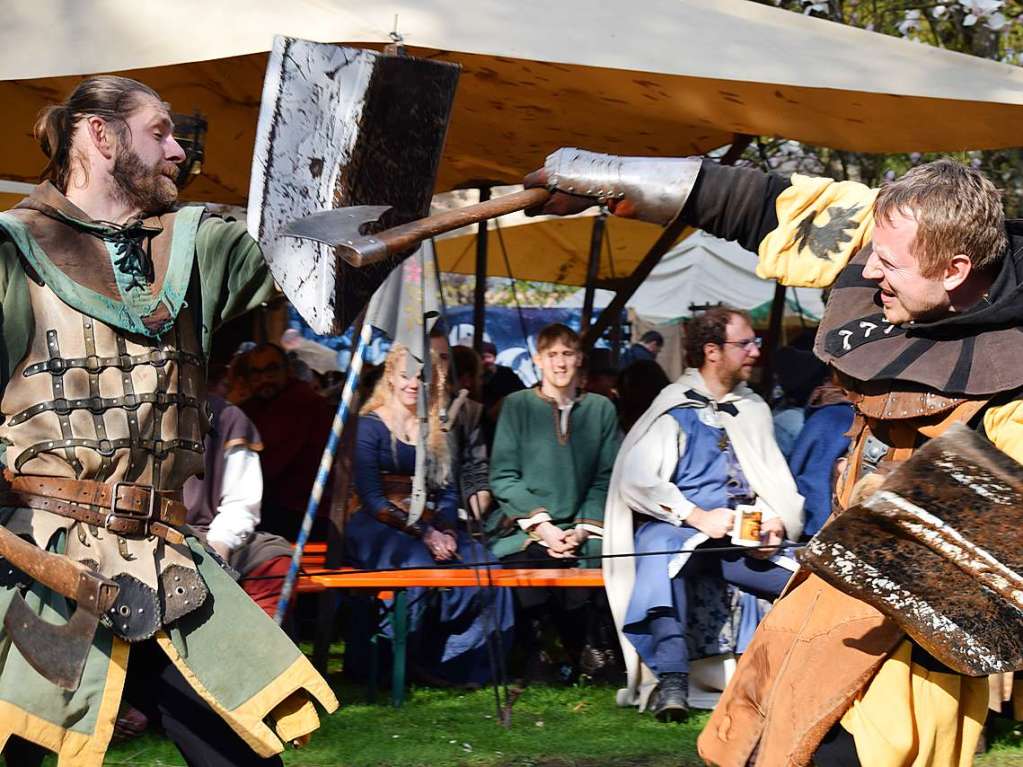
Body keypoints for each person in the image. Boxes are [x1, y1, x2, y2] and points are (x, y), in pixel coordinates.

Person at [526, 149, 1023, 765]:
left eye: (889, 264)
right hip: (827, 594)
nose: (871, 273)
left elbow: (986, 561)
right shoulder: (901, 236)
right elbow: (772, 206)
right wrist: (613, 177)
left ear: (954, 269)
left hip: (915, 634)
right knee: (759, 742)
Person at [0, 76, 335, 767]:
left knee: (238, 748)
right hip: (44, 560)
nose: (178, 150)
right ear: (98, 133)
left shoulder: (195, 247)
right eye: (160, 131)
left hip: (166, 556)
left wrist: (524, 194)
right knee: (30, 747)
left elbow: (329, 252)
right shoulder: (11, 253)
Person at [607, 307, 803, 722]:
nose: (755, 351)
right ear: (712, 351)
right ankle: (673, 680)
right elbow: (637, 481)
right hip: (683, 534)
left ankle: (795, 675)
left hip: (740, 539)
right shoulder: (673, 408)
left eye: (755, 342)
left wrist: (775, 521)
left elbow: (775, 482)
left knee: (802, 580)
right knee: (657, 549)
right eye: (745, 343)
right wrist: (696, 515)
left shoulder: (752, 408)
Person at [344, 344, 513, 685]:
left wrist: (448, 530)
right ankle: (398, 660)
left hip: (431, 521)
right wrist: (426, 533)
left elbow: (449, 489)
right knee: (417, 562)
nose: (412, 383)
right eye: (405, 375)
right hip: (377, 524)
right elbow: (374, 499)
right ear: (390, 377)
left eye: (420, 377)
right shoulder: (369, 427)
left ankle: (460, 664)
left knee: (487, 567)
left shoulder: (436, 426)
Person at [487, 323, 621, 680]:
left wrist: (579, 531)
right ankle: (539, 650)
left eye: (566, 354)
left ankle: (592, 648)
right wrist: (544, 528)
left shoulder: (601, 409)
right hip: (525, 526)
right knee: (529, 559)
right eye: (552, 355)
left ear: (579, 359)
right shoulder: (517, 406)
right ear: (538, 361)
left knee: (600, 557)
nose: (560, 363)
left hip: (582, 526)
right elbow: (503, 475)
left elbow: (607, 476)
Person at [183, 365, 294, 618]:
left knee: (274, 561)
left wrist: (219, 548)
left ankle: (255, 652)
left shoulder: (227, 418)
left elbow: (240, 503)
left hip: (205, 535)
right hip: (142, 537)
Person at [240, 342, 334, 540]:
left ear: (288, 370)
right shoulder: (253, 406)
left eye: (271, 370)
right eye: (255, 373)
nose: (264, 379)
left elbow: (271, 465)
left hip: (302, 513)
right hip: (272, 506)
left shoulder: (303, 403)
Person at [430, 328, 491, 521]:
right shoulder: (392, 411)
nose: (437, 364)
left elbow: (474, 465)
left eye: (444, 357)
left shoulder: (467, 411)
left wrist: (480, 493)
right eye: (429, 356)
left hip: (449, 509)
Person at [787, 376, 854, 538]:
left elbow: (795, 468)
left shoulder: (829, 416)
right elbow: (798, 474)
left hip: (822, 526)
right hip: (818, 526)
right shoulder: (832, 418)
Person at [480, 340, 525, 449]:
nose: (485, 361)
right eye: (482, 358)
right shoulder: (475, 378)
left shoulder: (506, 373)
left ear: (494, 358)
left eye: (488, 357)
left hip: (508, 426)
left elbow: (521, 393)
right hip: (486, 431)